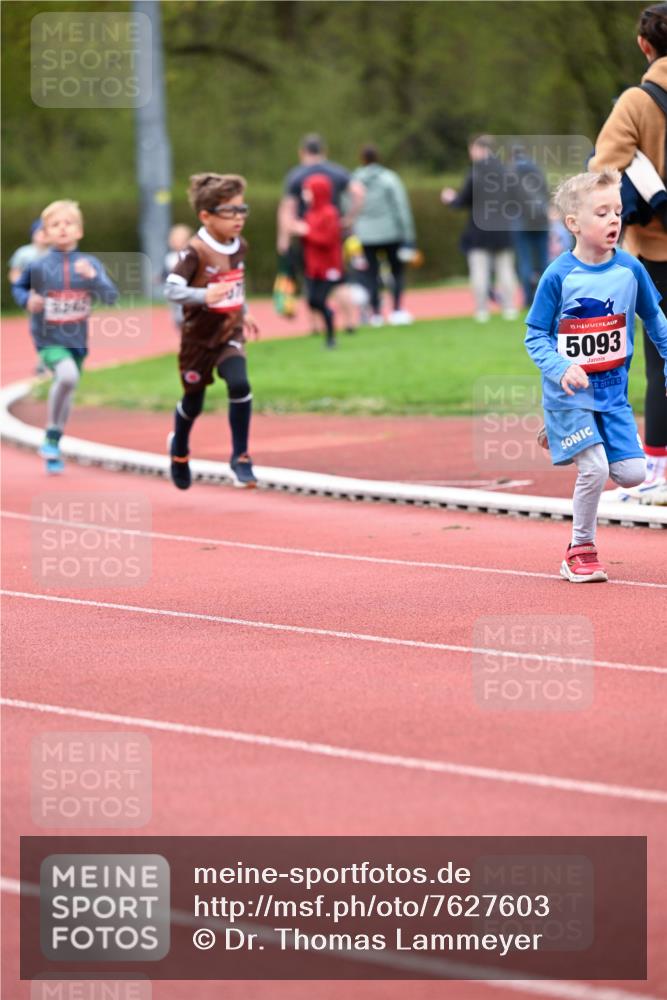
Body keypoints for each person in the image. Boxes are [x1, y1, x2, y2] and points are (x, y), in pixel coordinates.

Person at [525, 170, 667, 582]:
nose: (614, 220)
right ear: (573, 223)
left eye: (618, 211)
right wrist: (561, 366)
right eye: (601, 212)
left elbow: (655, 319)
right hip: (567, 392)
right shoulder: (558, 275)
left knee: (633, 475)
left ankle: (560, 432)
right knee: (596, 470)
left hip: (612, 395)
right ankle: (579, 550)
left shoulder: (630, 269)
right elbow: (534, 335)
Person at [589, 2, 667, 502]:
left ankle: (657, 468)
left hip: (660, 250)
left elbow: (604, 171)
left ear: (644, 45)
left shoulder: (637, 103)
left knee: (662, 357)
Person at [164, 173, 259, 490]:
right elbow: (171, 289)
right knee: (194, 403)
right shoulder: (194, 251)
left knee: (239, 382)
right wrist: (203, 296)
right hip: (198, 339)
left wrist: (243, 312)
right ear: (206, 216)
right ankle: (179, 450)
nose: (239, 217)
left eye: (242, 209)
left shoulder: (240, 246)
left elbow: (235, 281)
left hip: (229, 331)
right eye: (230, 211)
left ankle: (241, 456)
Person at [11, 200, 118, 474]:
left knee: (68, 386)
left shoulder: (89, 264)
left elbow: (110, 297)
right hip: (47, 337)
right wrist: (27, 300)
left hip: (77, 339)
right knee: (67, 376)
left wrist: (93, 278)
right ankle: (52, 436)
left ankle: (53, 439)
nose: (62, 229)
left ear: (79, 231)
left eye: (67, 223)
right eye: (54, 225)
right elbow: (19, 287)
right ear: (45, 234)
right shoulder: (39, 266)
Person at [277, 133, 364, 334]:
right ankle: (350, 322)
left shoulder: (296, 175)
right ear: (324, 151)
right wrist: (349, 219)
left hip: (308, 235)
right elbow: (359, 192)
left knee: (311, 278)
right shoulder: (337, 171)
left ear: (302, 152)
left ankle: (316, 325)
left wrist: (284, 238)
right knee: (339, 279)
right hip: (334, 232)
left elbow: (287, 208)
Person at [441, 135, 518, 323]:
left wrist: (450, 198)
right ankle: (509, 308)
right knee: (506, 269)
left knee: (479, 270)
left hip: (479, 230)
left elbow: (462, 200)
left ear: (478, 149)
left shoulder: (475, 172)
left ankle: (482, 310)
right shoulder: (506, 171)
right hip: (503, 228)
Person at [351, 144, 416, 326]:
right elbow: (401, 207)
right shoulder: (389, 178)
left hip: (365, 235)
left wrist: (353, 228)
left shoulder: (355, 180)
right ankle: (396, 310)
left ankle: (376, 314)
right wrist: (408, 235)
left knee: (371, 274)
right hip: (391, 233)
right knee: (396, 272)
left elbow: (349, 206)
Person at [289, 173, 343, 349]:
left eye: (308, 191)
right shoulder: (310, 214)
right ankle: (329, 326)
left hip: (328, 265)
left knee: (319, 299)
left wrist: (306, 232)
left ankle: (331, 337)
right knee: (312, 300)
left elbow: (328, 239)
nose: (305, 194)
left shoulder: (330, 213)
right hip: (313, 265)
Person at [506, 144, 550, 307]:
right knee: (544, 260)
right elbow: (546, 193)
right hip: (541, 220)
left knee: (525, 262)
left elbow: (507, 201)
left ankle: (528, 299)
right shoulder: (536, 169)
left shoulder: (511, 173)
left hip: (521, 222)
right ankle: (548, 297)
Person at [163, 223, 194, 332]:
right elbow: (166, 273)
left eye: (180, 240)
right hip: (174, 297)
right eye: (174, 240)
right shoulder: (169, 258)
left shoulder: (190, 256)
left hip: (188, 293)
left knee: (189, 318)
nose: (176, 243)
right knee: (177, 319)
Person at [7, 219, 49, 284]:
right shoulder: (23, 252)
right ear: (33, 234)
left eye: (46, 232)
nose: (43, 234)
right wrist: (23, 288)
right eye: (40, 231)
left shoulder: (57, 251)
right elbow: (14, 273)